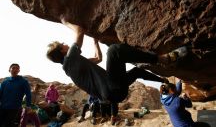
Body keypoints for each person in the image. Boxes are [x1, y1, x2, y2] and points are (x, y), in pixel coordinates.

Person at [46, 14, 187, 104]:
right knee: (114, 51)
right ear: (62, 50)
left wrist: (95, 43)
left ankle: (162, 80)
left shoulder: (73, 67)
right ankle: (164, 59)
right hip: (112, 90)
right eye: (62, 44)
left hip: (115, 94)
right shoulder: (70, 60)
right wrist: (65, 22)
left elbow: (98, 59)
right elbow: (80, 31)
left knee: (137, 72)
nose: (65, 44)